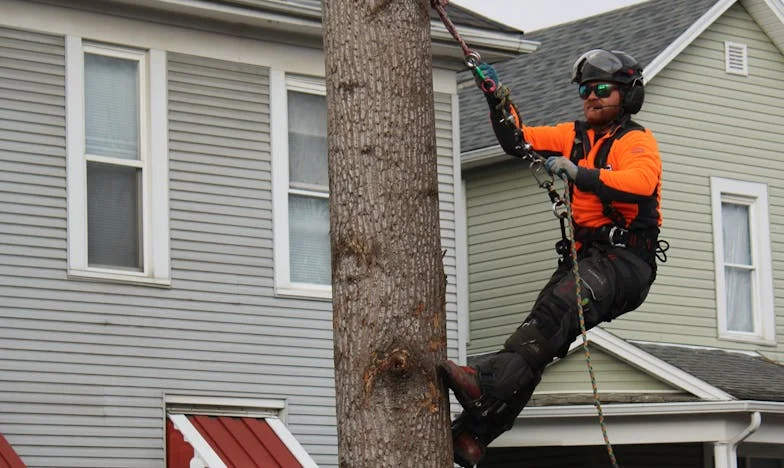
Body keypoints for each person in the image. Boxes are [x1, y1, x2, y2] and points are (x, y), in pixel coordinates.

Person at [439, 49, 665, 467]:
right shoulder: (572, 135)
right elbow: (517, 139)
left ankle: (485, 384)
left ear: (627, 96)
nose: (591, 98)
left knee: (555, 312)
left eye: (601, 90)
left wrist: (580, 174)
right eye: (585, 90)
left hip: (626, 263)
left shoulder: (636, 142)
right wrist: (495, 99)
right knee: (539, 336)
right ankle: (474, 435)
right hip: (587, 258)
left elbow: (639, 183)